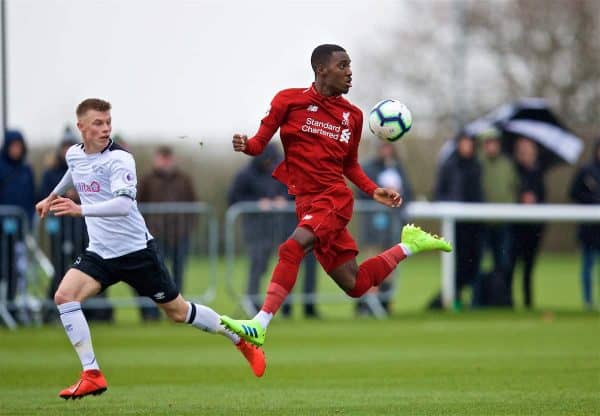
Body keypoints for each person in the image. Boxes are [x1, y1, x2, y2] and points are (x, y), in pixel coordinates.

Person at [220, 44, 452, 347]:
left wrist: (372, 190)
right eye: (342, 65)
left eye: (350, 65)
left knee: (292, 249)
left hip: (333, 199)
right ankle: (409, 246)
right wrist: (244, 143)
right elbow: (258, 145)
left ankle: (259, 324)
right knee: (355, 284)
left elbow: (350, 165)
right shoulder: (287, 101)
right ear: (321, 70)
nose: (349, 72)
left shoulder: (352, 116)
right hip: (305, 203)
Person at [35, 98, 265, 400]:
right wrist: (51, 197)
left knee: (178, 312)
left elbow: (123, 205)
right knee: (64, 296)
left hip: (136, 253)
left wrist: (80, 210)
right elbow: (73, 169)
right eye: (98, 124)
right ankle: (91, 372)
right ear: (81, 127)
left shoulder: (119, 159)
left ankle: (239, 338)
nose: (105, 129)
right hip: (101, 252)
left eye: (108, 122)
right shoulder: (75, 154)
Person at [227, 144, 319, 318]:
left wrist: (284, 200)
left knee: (288, 265)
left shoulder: (287, 170)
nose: (270, 164)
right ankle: (252, 302)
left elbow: (301, 191)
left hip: (286, 226)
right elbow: (233, 197)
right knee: (258, 264)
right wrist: (257, 203)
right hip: (257, 229)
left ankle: (289, 307)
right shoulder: (245, 175)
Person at [137, 145, 198, 321]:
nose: (165, 161)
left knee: (178, 274)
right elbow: (136, 206)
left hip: (179, 235)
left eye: (167, 157)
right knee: (155, 275)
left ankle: (178, 312)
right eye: (162, 157)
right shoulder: (147, 180)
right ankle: (152, 313)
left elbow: (194, 204)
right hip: (154, 236)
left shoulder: (184, 179)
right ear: (156, 159)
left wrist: (187, 229)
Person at [356, 142, 413, 314]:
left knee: (390, 266)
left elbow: (408, 192)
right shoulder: (369, 168)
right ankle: (366, 305)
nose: (387, 151)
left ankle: (385, 304)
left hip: (392, 226)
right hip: (373, 226)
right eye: (383, 147)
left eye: (389, 147)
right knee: (372, 264)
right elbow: (362, 191)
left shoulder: (397, 168)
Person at [431, 132, 483, 309]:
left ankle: (474, 300)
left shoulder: (477, 165)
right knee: (457, 263)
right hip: (455, 224)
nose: (467, 147)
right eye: (464, 143)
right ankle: (454, 299)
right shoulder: (450, 166)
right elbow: (439, 191)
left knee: (473, 263)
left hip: (474, 224)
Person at [472, 127, 518, 307]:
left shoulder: (507, 164)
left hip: (503, 223)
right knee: (478, 264)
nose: (492, 147)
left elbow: (514, 187)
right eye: (488, 144)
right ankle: (477, 302)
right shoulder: (477, 164)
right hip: (482, 223)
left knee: (504, 264)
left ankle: (503, 300)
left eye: (494, 143)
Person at [0, 129, 36, 321]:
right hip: (1, 230)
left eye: (19, 146)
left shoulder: (26, 170)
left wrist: (28, 220)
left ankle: (11, 306)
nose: (16, 150)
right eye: (13, 146)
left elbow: (31, 197)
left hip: (19, 231)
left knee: (15, 271)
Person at [508, 136, 546, 309]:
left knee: (529, 268)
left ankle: (528, 303)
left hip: (533, 229)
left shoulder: (538, 172)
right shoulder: (514, 170)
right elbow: (511, 192)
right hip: (516, 227)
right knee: (511, 266)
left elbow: (543, 198)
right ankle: (507, 301)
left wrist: (534, 199)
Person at [569, 138, 600, 310]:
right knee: (588, 266)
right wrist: (591, 201)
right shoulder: (586, 171)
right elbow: (573, 193)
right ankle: (588, 301)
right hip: (589, 229)